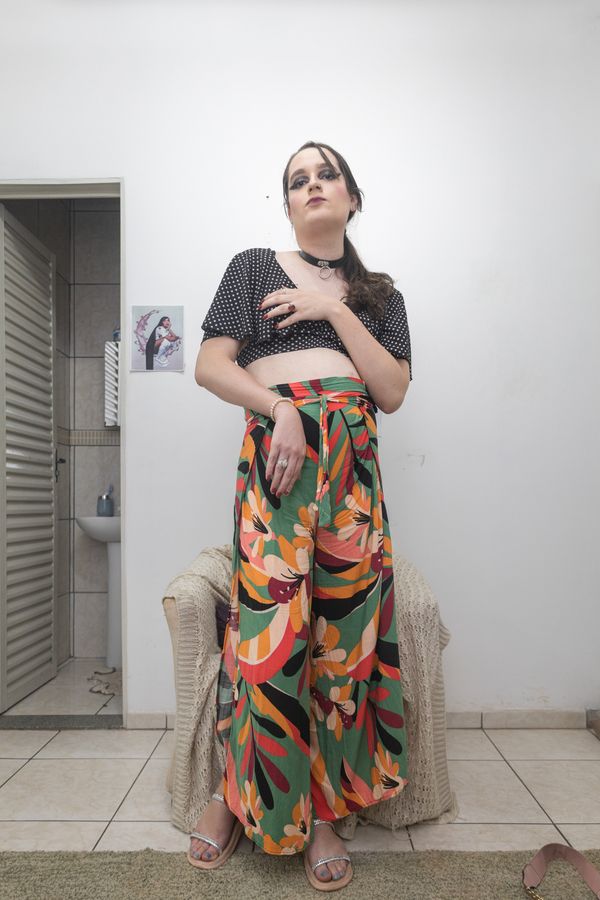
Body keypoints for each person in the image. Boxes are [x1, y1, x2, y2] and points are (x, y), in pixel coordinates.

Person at [192, 141, 412, 891]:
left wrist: (333, 308)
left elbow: (391, 392)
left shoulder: (380, 296)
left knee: (343, 647)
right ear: (287, 204)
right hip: (280, 464)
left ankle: (322, 815)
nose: (313, 185)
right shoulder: (254, 267)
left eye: (327, 174)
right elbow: (211, 365)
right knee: (267, 640)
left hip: (353, 474)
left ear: (352, 197)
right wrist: (278, 407)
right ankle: (236, 796)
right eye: (298, 180)